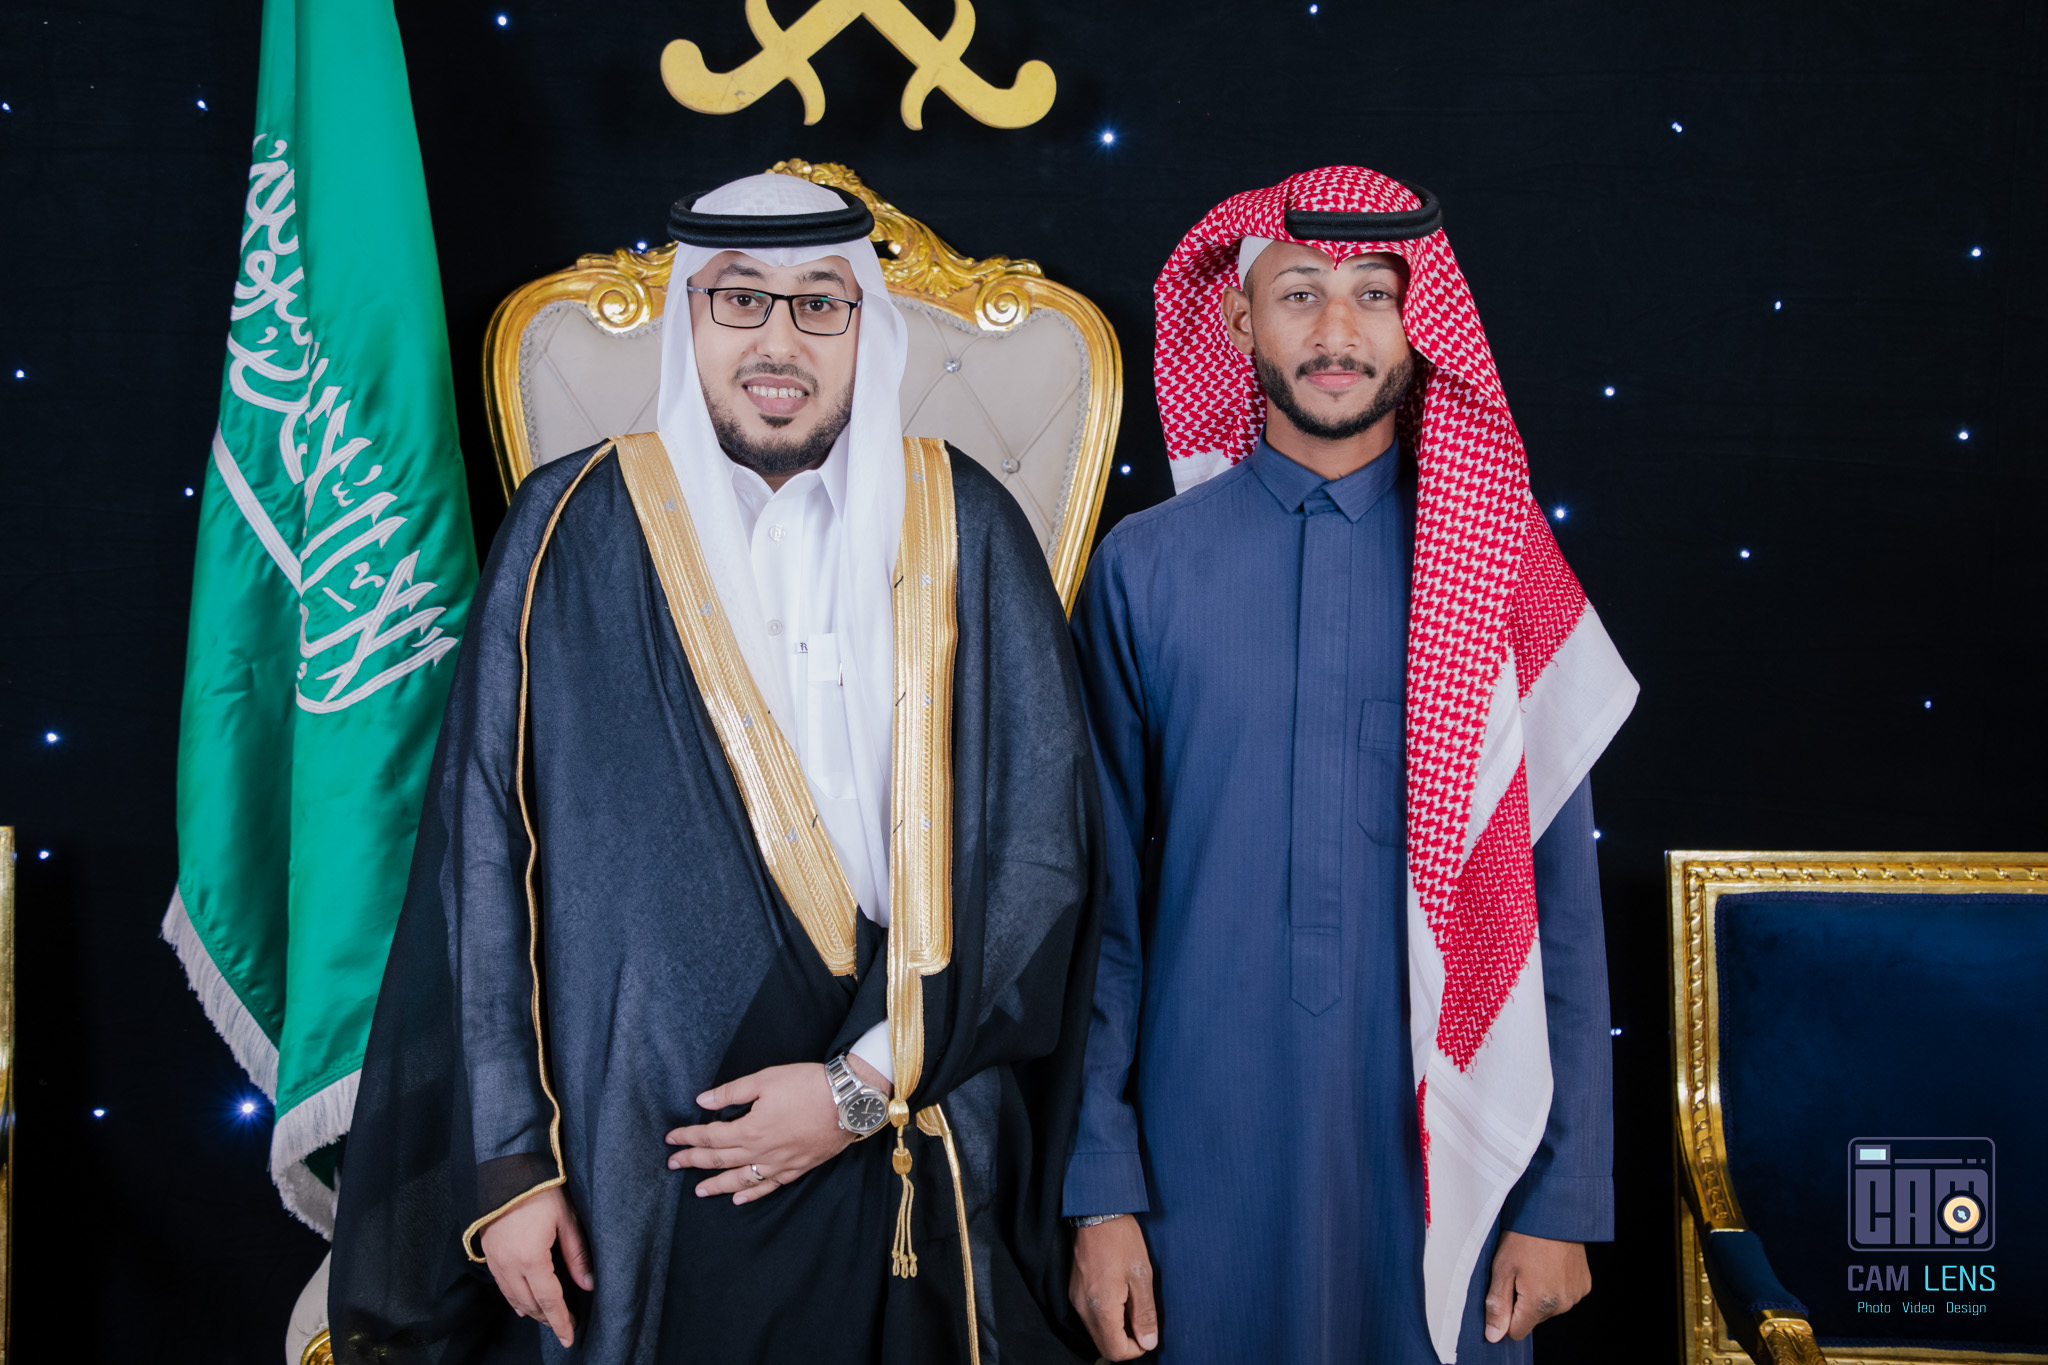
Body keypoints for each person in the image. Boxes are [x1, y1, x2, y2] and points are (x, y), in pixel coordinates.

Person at [328, 172, 1102, 1365]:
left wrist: (856, 1089)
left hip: (907, 1111)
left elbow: (1038, 851)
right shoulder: (564, 528)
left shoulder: (964, 522)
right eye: (739, 298)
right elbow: (484, 857)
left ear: (866, 325)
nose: (777, 343)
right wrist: (513, 1166)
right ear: (688, 314)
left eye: (819, 303)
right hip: (627, 1147)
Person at [1061, 166, 1638, 1364]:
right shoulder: (1143, 568)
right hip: (1196, 1148)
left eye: (1373, 294)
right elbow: (1095, 911)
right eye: (1299, 294)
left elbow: (1557, 914)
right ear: (1237, 321)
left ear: (1420, 323)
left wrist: (1562, 1196)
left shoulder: (1500, 571)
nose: (1336, 331)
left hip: (1448, 1150)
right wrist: (1099, 1188)